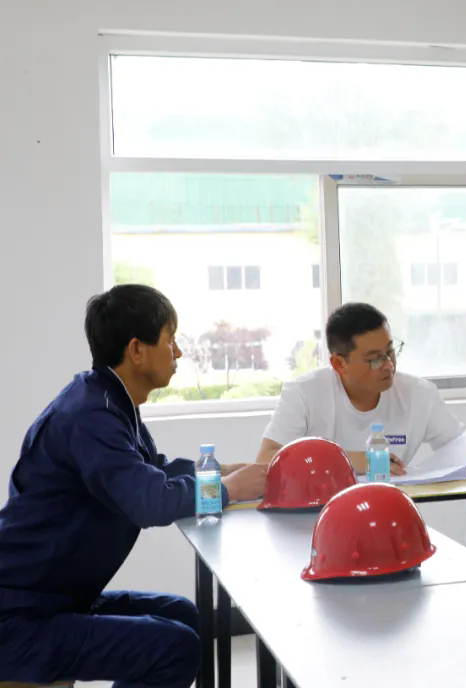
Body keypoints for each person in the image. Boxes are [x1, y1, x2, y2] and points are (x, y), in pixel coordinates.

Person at [0, 284, 268, 687]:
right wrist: (227, 489)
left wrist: (221, 472)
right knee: (174, 648)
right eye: (170, 339)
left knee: (184, 615)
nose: (178, 352)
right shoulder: (92, 416)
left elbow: (150, 470)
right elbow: (150, 502)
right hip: (20, 620)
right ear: (137, 349)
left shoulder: (107, 400)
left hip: (52, 599)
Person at [258, 302, 466, 473]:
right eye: (374, 359)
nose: (389, 365)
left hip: (387, 513)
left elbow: (458, 442)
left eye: (390, 351)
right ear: (339, 364)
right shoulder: (304, 393)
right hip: (312, 516)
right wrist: (354, 460)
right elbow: (267, 459)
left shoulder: (419, 394)